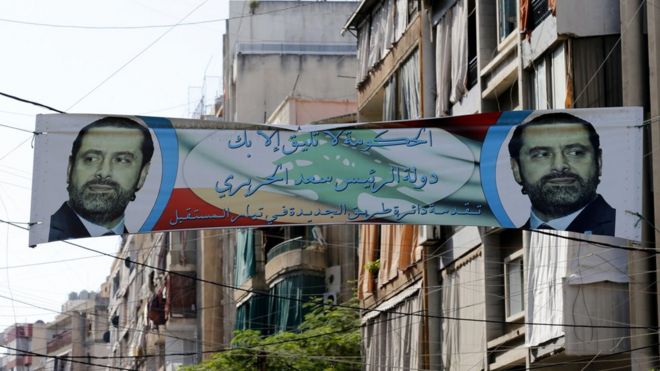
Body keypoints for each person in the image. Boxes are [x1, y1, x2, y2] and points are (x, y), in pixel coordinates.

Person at [508, 112, 615, 236]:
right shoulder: (509, 241)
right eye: (542, 155)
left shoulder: (625, 226)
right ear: (516, 169)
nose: (559, 166)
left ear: (599, 161)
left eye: (575, 153)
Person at [48, 117, 154, 242]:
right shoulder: (48, 232)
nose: (103, 173)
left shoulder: (132, 241)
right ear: (70, 168)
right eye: (91, 159)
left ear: (142, 174)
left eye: (122, 160)